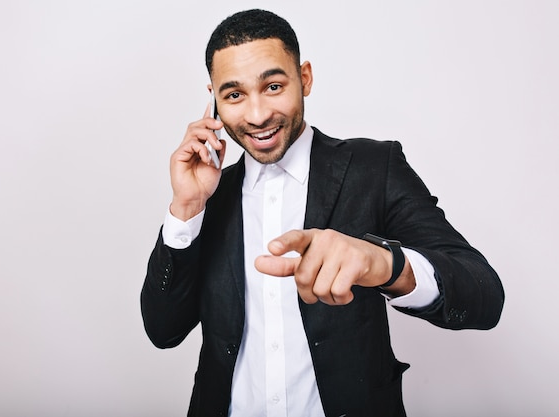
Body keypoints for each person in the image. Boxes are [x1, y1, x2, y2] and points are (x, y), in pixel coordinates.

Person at [141, 8, 504, 417]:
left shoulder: (374, 167)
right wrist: (186, 207)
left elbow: (484, 297)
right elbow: (163, 330)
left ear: (305, 78)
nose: (258, 115)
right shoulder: (211, 196)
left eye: (274, 86)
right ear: (214, 100)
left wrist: (386, 264)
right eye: (234, 95)